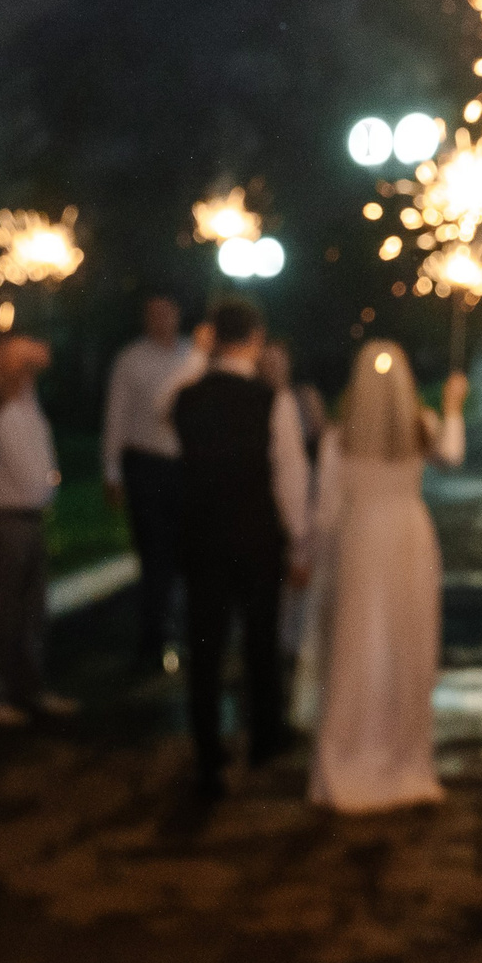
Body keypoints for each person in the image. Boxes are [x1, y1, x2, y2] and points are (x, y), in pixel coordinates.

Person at [303, 341, 464, 814]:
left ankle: (346, 755)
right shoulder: (422, 427)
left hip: (361, 540)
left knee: (355, 646)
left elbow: (327, 509)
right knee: (405, 645)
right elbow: (452, 455)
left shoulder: (338, 437)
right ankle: (402, 759)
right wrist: (453, 407)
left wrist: (319, 557)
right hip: (408, 540)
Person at [171, 300, 311, 800]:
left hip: (202, 538)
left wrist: (197, 357)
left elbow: (162, 410)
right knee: (260, 643)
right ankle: (264, 739)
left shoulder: (186, 397)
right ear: (256, 338)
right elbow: (288, 477)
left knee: (205, 649)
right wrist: (300, 543)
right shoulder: (272, 400)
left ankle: (209, 752)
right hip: (255, 537)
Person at [0, 335, 74, 728]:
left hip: (29, 516)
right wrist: (20, 361)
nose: (26, 367)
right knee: (0, 607)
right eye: (16, 359)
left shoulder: (27, 399)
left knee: (31, 609)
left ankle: (30, 687)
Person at [102, 295, 196, 672]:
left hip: (186, 466)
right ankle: (152, 641)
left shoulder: (192, 355)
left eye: (166, 311)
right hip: (147, 465)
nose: (159, 319)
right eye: (152, 313)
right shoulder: (131, 359)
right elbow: (117, 416)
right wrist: (112, 472)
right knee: (154, 556)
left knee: (186, 555)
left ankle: (187, 635)